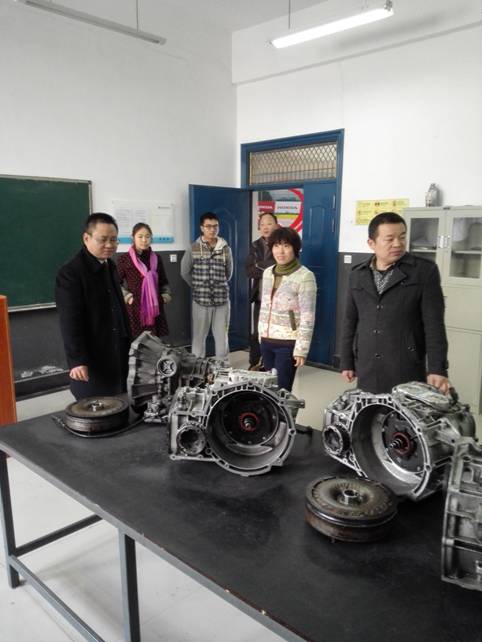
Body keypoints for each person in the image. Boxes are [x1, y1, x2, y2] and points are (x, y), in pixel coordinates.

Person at [340, 211, 450, 394]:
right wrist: (346, 361)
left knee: (404, 410)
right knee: (370, 408)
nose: (398, 244)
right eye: (389, 239)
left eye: (402, 237)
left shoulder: (424, 271)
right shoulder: (357, 274)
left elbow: (434, 324)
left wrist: (437, 368)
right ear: (371, 243)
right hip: (368, 362)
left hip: (406, 362)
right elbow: (350, 320)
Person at [55, 213, 130, 400]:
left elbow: (117, 307)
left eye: (114, 239)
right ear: (86, 238)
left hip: (116, 348)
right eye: (103, 240)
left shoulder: (109, 265)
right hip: (92, 356)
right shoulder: (70, 273)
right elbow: (70, 321)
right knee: (95, 405)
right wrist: (77, 360)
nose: (109, 245)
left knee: (119, 400)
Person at [258, 226, 317, 392]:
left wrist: (301, 350)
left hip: (287, 343)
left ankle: (283, 411)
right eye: (276, 246)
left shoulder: (305, 276)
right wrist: (261, 335)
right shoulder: (267, 273)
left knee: (282, 390)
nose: (280, 251)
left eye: (286, 246)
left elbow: (308, 316)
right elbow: (264, 306)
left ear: (295, 249)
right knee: (267, 389)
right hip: (266, 340)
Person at [180, 212, 233, 359]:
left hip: (222, 302)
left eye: (215, 226)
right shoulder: (193, 248)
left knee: (222, 339)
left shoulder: (226, 249)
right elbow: (184, 272)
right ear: (202, 228)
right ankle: (197, 369)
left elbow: (228, 273)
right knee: (198, 338)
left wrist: (218, 285)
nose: (212, 229)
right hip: (200, 302)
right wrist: (197, 287)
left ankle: (222, 369)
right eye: (208, 226)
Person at [116, 222, 171, 340]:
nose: (144, 240)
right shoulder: (124, 259)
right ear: (133, 238)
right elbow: (116, 283)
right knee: (136, 342)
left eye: (147, 236)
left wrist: (165, 296)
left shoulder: (156, 258)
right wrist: (128, 297)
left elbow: (163, 281)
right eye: (140, 236)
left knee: (155, 342)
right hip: (135, 308)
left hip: (155, 307)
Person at [245, 212, 278, 370]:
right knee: (257, 332)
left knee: (274, 333)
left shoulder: (283, 243)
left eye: (269, 223)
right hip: (260, 298)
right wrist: (270, 265)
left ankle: (271, 364)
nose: (265, 227)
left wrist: (259, 264)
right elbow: (249, 270)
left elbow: (282, 267)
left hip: (278, 299)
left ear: (276, 225)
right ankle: (254, 363)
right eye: (262, 224)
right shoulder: (255, 245)